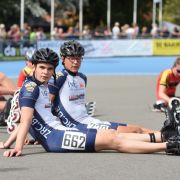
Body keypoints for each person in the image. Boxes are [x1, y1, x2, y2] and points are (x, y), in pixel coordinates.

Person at [1, 47, 180, 157]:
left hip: (60, 130)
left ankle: (164, 136)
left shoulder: (43, 86)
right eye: (41, 68)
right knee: (113, 140)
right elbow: (25, 120)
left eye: (49, 69)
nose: (46, 72)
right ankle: (168, 145)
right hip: (55, 138)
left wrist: (10, 142)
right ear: (33, 66)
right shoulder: (31, 88)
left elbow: (36, 118)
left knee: (111, 134)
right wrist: (17, 147)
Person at [49, 40, 153, 133]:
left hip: (89, 121)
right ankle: (166, 139)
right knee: (135, 131)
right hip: (78, 126)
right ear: (62, 58)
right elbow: (45, 107)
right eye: (71, 58)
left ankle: (166, 136)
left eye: (78, 58)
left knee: (138, 128)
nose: (75, 62)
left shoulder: (82, 78)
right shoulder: (59, 77)